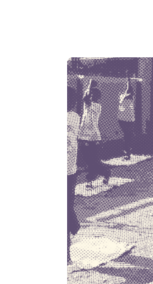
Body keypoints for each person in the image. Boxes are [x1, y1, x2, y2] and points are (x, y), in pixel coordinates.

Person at [78, 79, 111, 189]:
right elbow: (85, 98)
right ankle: (106, 172)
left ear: (96, 97)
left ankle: (90, 180)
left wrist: (89, 85)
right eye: (90, 94)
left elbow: (86, 98)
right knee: (88, 159)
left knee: (93, 160)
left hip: (94, 137)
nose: (90, 96)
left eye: (92, 95)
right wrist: (89, 87)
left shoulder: (97, 106)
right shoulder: (86, 105)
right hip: (83, 136)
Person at [66, 85, 81, 265]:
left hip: (69, 171)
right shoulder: (76, 117)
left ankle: (74, 224)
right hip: (71, 171)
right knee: (67, 206)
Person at [118, 78, 136, 161]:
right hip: (123, 120)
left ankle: (127, 153)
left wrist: (128, 81)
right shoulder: (122, 96)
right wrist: (128, 81)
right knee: (127, 137)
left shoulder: (131, 96)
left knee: (128, 137)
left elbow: (130, 91)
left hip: (129, 120)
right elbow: (128, 91)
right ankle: (126, 153)